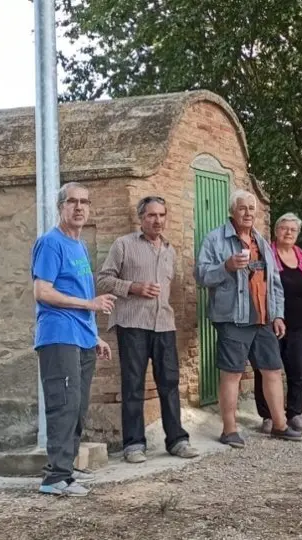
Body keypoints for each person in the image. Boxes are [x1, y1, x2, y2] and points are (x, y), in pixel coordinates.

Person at [195, 189, 302, 447]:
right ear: (232, 211)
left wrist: (277, 315)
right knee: (232, 374)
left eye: (252, 209)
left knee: (273, 370)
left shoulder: (261, 242)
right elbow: (200, 275)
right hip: (233, 318)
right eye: (243, 208)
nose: (248, 213)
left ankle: (280, 424)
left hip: (263, 319)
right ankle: (229, 430)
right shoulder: (215, 240)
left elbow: (274, 283)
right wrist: (226, 267)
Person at [97, 196, 199, 464]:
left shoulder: (169, 250)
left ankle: (177, 440)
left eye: (162, 215)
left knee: (169, 383)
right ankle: (134, 445)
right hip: (132, 324)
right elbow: (104, 279)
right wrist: (134, 287)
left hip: (164, 324)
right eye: (152, 215)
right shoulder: (124, 245)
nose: (157, 220)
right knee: (133, 385)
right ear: (141, 218)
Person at [32, 182, 114, 496]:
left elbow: (78, 292)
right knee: (63, 405)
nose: (79, 207)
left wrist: (94, 335)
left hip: (80, 337)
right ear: (61, 207)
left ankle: (66, 473)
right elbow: (43, 291)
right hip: (57, 335)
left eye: (84, 202)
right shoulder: (50, 243)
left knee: (77, 408)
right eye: (72, 202)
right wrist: (91, 305)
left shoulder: (78, 246)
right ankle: (54, 478)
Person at [253, 212, 302, 434]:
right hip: (270, 321)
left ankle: (294, 413)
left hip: (298, 322)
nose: (289, 232)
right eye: (284, 228)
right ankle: (267, 416)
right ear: (276, 231)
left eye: (293, 229)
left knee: (299, 370)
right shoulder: (267, 255)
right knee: (266, 369)